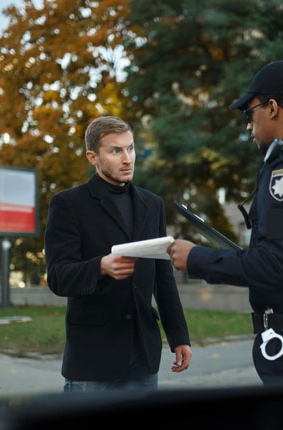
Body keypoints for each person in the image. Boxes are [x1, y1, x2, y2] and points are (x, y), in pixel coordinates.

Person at [168, 60, 283, 385]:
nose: (247, 126)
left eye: (249, 113)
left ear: (272, 108)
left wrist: (196, 258)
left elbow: (277, 265)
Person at [45, 115, 192, 391]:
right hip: (93, 356)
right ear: (93, 157)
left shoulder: (152, 204)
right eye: (116, 151)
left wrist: (179, 337)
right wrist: (100, 266)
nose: (127, 159)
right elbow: (57, 277)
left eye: (131, 148)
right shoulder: (68, 204)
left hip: (144, 353)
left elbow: (163, 277)